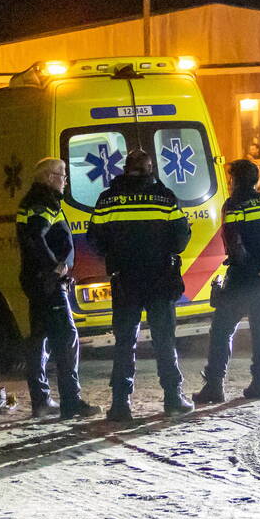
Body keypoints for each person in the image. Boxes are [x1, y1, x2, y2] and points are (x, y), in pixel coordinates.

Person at [87, 149, 194, 421]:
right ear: (150, 169)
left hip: (125, 280)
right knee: (164, 340)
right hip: (160, 279)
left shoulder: (108, 199)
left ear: (126, 169)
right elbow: (182, 238)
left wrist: (116, 253)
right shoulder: (165, 198)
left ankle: (120, 404)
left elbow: (95, 239)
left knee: (125, 341)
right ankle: (172, 398)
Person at [193, 158, 260, 403]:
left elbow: (234, 243)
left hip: (243, 277)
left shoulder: (234, 205)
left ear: (234, 180)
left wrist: (253, 271)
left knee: (222, 328)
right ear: (256, 180)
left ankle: (214, 386)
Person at [16, 157, 99, 420]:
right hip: (48, 283)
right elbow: (35, 236)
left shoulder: (33, 201)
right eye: (63, 175)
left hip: (38, 280)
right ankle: (71, 403)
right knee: (66, 339)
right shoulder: (43, 203)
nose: (65, 180)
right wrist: (55, 266)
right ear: (50, 177)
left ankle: (41, 401)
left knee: (39, 339)